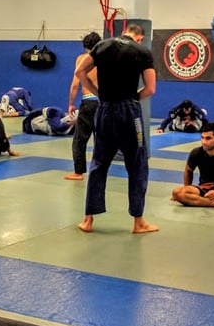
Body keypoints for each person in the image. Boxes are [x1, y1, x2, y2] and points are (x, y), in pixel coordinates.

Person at [75, 22, 159, 234]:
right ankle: (138, 222)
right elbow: (150, 88)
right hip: (130, 112)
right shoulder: (142, 51)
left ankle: (88, 220)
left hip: (105, 110)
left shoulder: (102, 46)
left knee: (99, 163)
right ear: (140, 37)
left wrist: (98, 93)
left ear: (124, 32)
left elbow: (80, 71)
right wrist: (132, 99)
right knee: (137, 164)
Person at [65, 31, 102, 181]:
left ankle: (78, 172)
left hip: (88, 102)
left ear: (85, 46)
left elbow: (75, 85)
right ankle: (100, 171)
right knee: (101, 139)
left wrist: (71, 103)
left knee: (80, 139)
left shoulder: (82, 59)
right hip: (103, 103)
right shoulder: (106, 59)